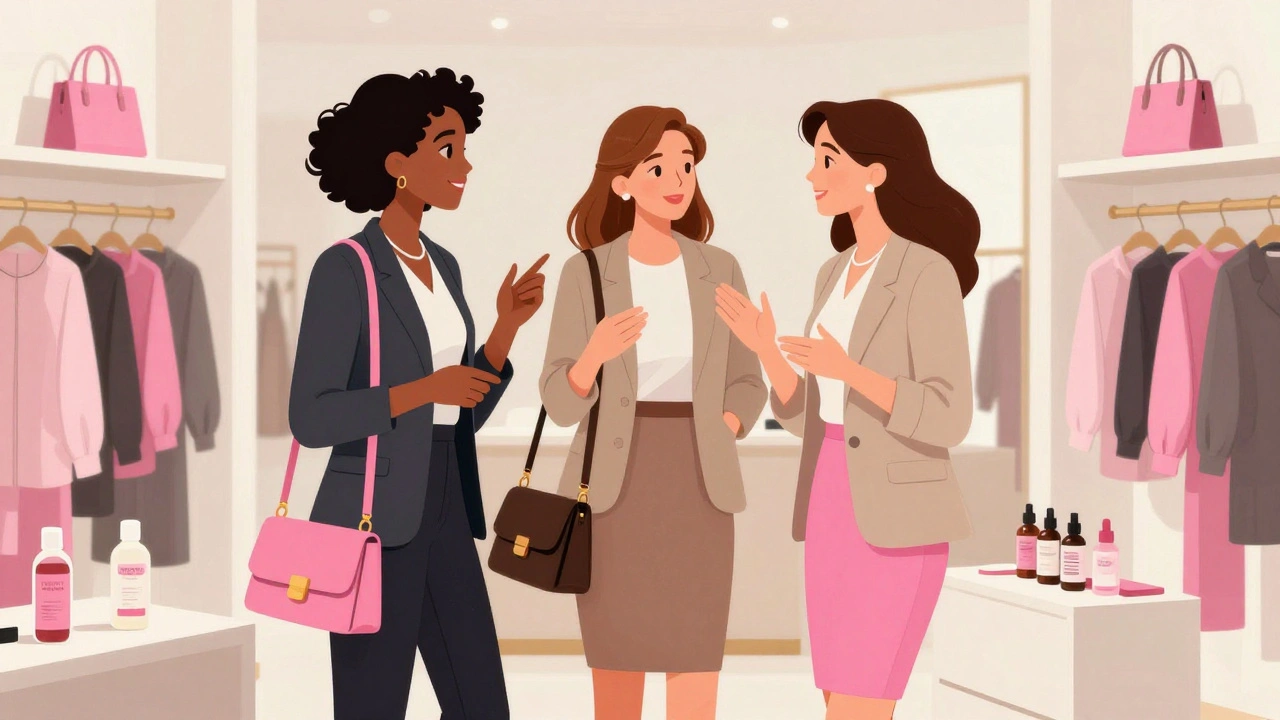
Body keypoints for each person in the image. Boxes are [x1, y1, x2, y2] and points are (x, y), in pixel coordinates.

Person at [291, 67, 548, 720]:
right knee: (372, 705)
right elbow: (310, 417)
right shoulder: (344, 268)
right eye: (447, 147)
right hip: (374, 519)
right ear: (397, 163)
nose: (464, 163)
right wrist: (419, 390)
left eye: (464, 147)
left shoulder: (446, 265)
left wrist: (502, 333)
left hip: (446, 507)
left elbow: (462, 412)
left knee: (482, 704)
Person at [715, 98, 979, 720]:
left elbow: (949, 413)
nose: (813, 174)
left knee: (862, 700)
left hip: (898, 516)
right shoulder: (832, 273)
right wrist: (767, 352)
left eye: (828, 158)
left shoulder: (927, 272)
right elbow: (817, 416)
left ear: (877, 171)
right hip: (829, 499)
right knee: (838, 695)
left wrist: (852, 372)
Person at [540, 105, 767, 720]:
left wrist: (724, 427)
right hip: (614, 488)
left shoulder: (720, 268)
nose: (677, 179)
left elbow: (749, 381)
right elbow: (559, 401)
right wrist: (593, 354)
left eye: (687, 166)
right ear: (621, 182)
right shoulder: (585, 272)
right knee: (617, 659)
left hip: (700, 481)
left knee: (695, 653)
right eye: (659, 165)